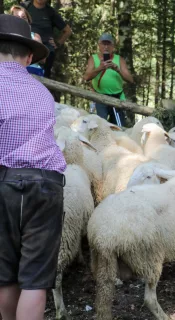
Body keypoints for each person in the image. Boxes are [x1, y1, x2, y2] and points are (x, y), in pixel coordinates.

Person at [0, 15, 66, 320]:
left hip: (5, 185)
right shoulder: (42, 93)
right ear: (28, 57)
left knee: (6, 275)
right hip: (47, 186)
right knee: (35, 280)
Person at [83, 33, 134, 126]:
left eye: (108, 44)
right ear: (99, 45)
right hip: (99, 97)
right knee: (99, 126)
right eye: (103, 44)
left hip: (117, 98)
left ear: (113, 46)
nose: (106, 47)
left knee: (119, 128)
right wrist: (100, 68)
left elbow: (130, 79)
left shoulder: (119, 59)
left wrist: (118, 69)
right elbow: (86, 77)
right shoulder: (93, 58)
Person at [21, 0, 72, 78]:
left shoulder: (50, 12)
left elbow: (67, 31)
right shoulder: (25, 6)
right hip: (25, 48)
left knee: (42, 81)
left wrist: (57, 43)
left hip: (46, 53)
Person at [9, 5, 45, 77]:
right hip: (11, 70)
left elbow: (43, 60)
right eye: (17, 17)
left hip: (32, 70)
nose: (21, 20)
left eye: (24, 18)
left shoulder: (35, 36)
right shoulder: (6, 36)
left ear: (28, 21)